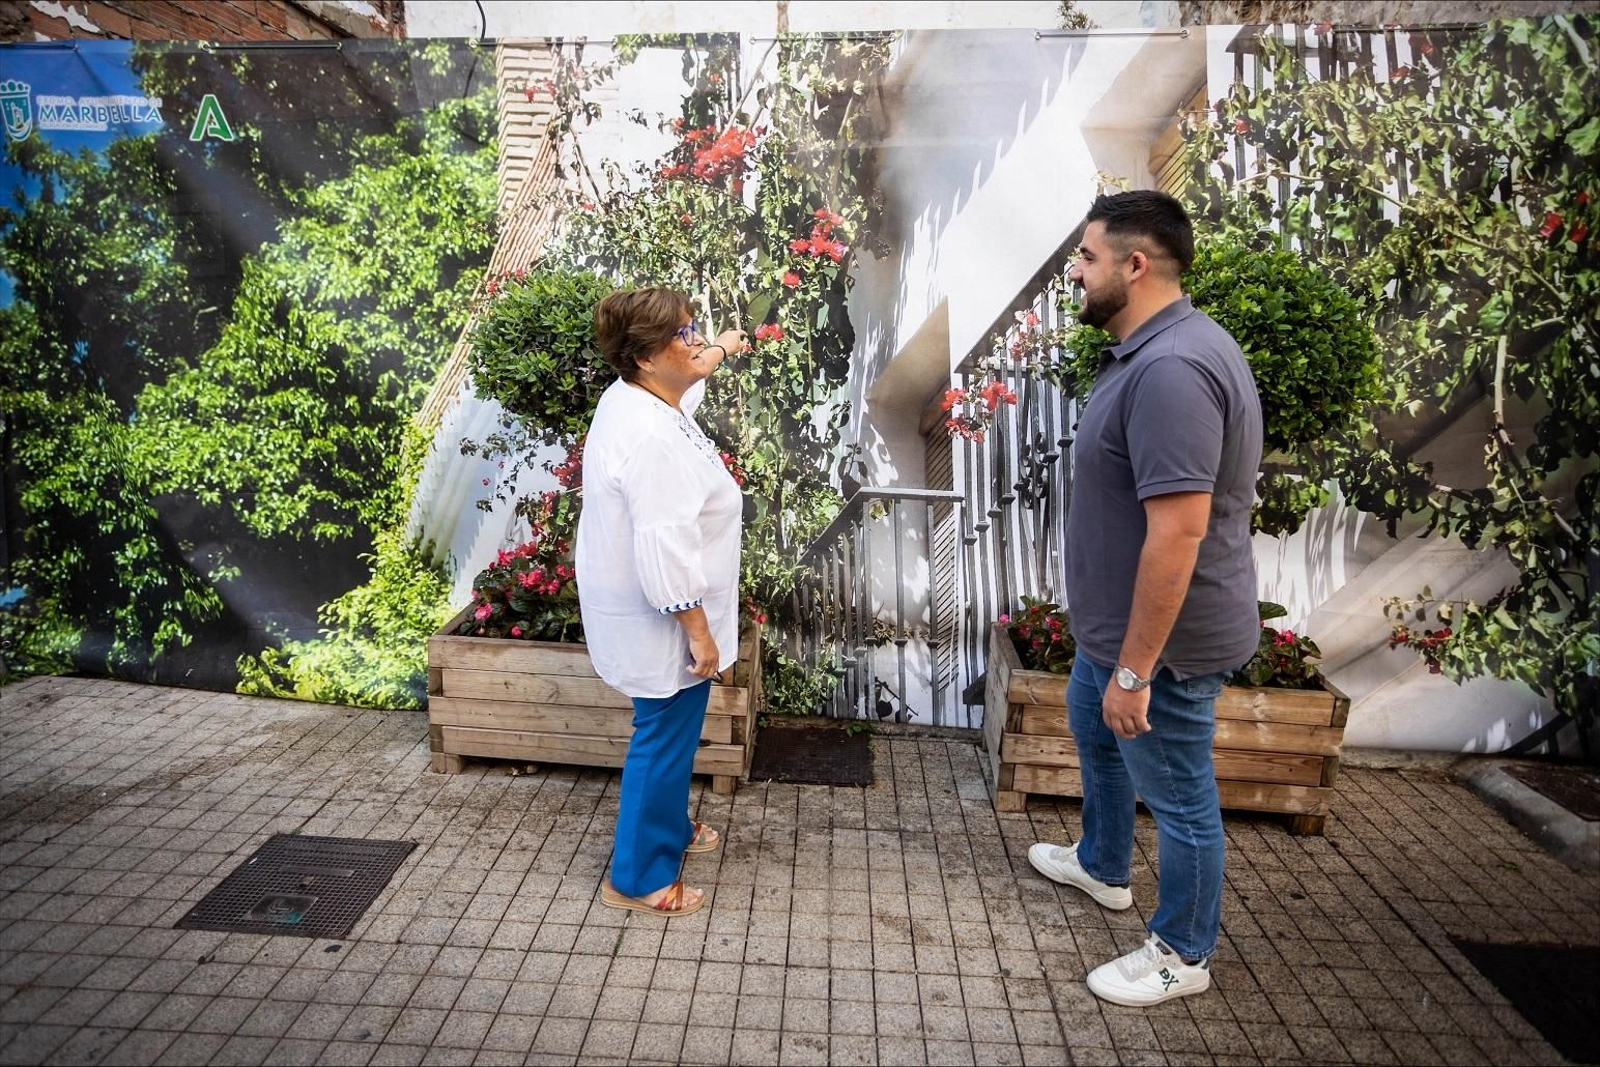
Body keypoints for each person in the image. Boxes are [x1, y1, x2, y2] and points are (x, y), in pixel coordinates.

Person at [1027, 191, 1263, 1006]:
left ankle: (1183, 950)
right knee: (1091, 730)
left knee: (1180, 794)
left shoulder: (1171, 371)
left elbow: (1179, 535)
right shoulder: (1153, 349)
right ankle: (1101, 864)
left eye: (1087, 259)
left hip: (1163, 648)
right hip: (1115, 634)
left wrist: (1137, 670)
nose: (1077, 274)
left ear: (1134, 265)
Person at [576, 287, 749, 917]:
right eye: (684, 333)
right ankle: (639, 876)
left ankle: (670, 832)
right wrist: (698, 634)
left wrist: (720, 349)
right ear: (646, 357)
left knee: (672, 732)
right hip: (664, 618)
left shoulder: (639, 397)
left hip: (651, 606)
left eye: (695, 326)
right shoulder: (651, 437)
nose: (695, 339)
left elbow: (688, 384)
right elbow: (664, 546)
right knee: (662, 736)